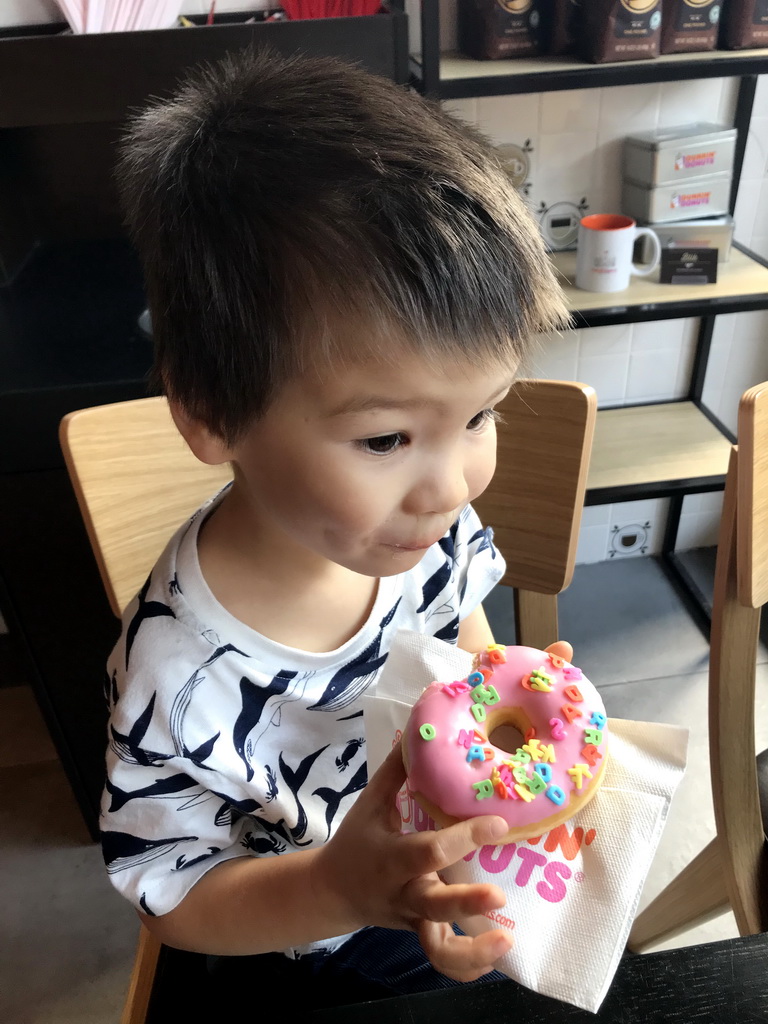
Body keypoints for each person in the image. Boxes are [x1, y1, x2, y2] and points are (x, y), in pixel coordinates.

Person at [101, 46, 570, 1004]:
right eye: (388, 437)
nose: (451, 486)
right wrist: (338, 887)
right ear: (209, 414)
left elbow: (471, 674)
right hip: (291, 938)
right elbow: (172, 897)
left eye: (480, 415)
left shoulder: (428, 534)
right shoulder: (177, 674)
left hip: (444, 881)